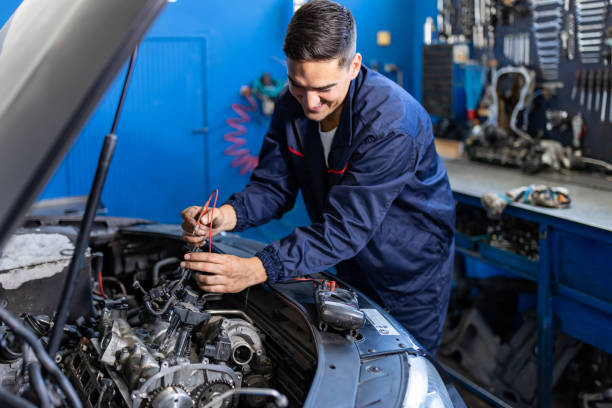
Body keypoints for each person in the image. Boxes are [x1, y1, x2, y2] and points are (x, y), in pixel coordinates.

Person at [180, 0, 455, 354]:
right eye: (298, 84)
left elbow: (344, 228)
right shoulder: (290, 104)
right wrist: (225, 217)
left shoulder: (390, 125)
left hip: (407, 270)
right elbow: (274, 186)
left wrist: (258, 268)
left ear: (354, 66)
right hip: (348, 260)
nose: (310, 103)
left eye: (325, 89)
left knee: (406, 368)